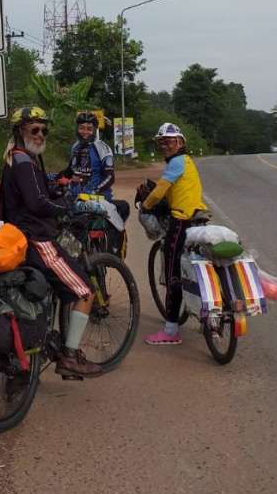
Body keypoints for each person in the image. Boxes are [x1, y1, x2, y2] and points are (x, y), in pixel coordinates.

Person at [0, 106, 102, 378]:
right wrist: (66, 204)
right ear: (20, 131)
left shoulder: (19, 159)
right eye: (35, 129)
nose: (40, 134)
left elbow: (35, 192)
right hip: (38, 241)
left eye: (44, 130)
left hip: (19, 238)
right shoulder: (23, 162)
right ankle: (69, 356)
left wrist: (57, 185)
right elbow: (36, 203)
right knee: (85, 292)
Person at [140, 122, 207, 347]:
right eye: (162, 143)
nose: (165, 146)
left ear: (180, 143)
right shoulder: (187, 162)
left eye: (169, 141)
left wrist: (146, 206)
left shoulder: (177, 162)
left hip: (181, 222)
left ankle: (171, 330)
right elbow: (173, 191)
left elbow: (161, 190)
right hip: (198, 219)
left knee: (172, 276)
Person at [58, 111, 130, 247]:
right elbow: (69, 171)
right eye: (81, 128)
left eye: (89, 129)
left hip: (98, 199)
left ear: (95, 130)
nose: (85, 132)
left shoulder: (102, 148)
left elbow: (110, 176)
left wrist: (94, 191)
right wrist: (55, 178)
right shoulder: (75, 147)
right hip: (76, 198)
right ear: (77, 129)